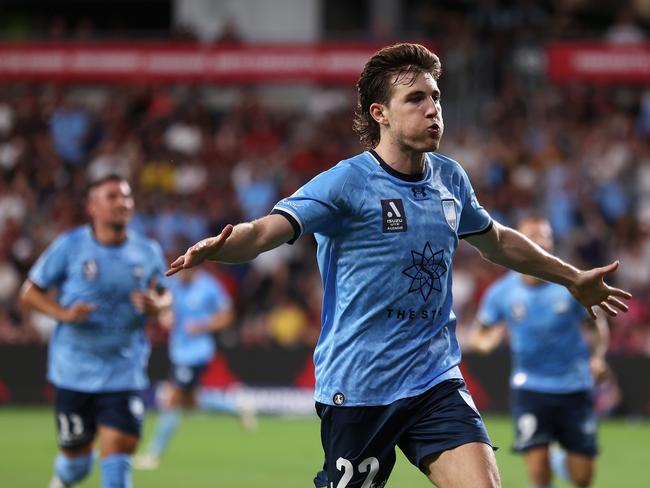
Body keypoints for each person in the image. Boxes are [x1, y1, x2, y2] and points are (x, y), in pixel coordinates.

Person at [165, 43, 631, 488]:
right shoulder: (347, 182)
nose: (433, 109)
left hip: (434, 377)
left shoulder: (450, 177)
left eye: (436, 97)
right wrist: (224, 246)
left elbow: (498, 242)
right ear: (379, 113)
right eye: (415, 99)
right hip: (359, 384)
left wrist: (571, 278)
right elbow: (268, 230)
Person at [20, 174, 171, 488]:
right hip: (73, 372)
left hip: (124, 372)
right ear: (92, 207)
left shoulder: (148, 251)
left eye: (126, 196)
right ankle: (63, 478)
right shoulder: (70, 246)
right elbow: (29, 293)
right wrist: (62, 314)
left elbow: (165, 294)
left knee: (117, 460)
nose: (122, 203)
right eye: (112, 196)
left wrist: (158, 305)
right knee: (77, 465)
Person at [468, 217, 609, 488]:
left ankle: (560, 461)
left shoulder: (570, 284)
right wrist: (487, 342)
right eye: (534, 236)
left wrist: (598, 357)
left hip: (574, 386)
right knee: (538, 473)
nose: (541, 241)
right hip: (530, 387)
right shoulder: (502, 292)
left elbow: (596, 325)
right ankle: (547, 464)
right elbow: (480, 333)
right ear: (520, 242)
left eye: (545, 236)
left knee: (582, 477)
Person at [134, 264, 252, 470]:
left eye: (186, 271)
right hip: (179, 352)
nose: (182, 275)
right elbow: (163, 307)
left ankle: (153, 454)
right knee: (190, 401)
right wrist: (164, 316)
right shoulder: (173, 285)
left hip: (196, 354)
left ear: (195, 268)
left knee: (172, 401)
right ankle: (236, 406)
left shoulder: (209, 286)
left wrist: (203, 325)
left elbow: (228, 315)